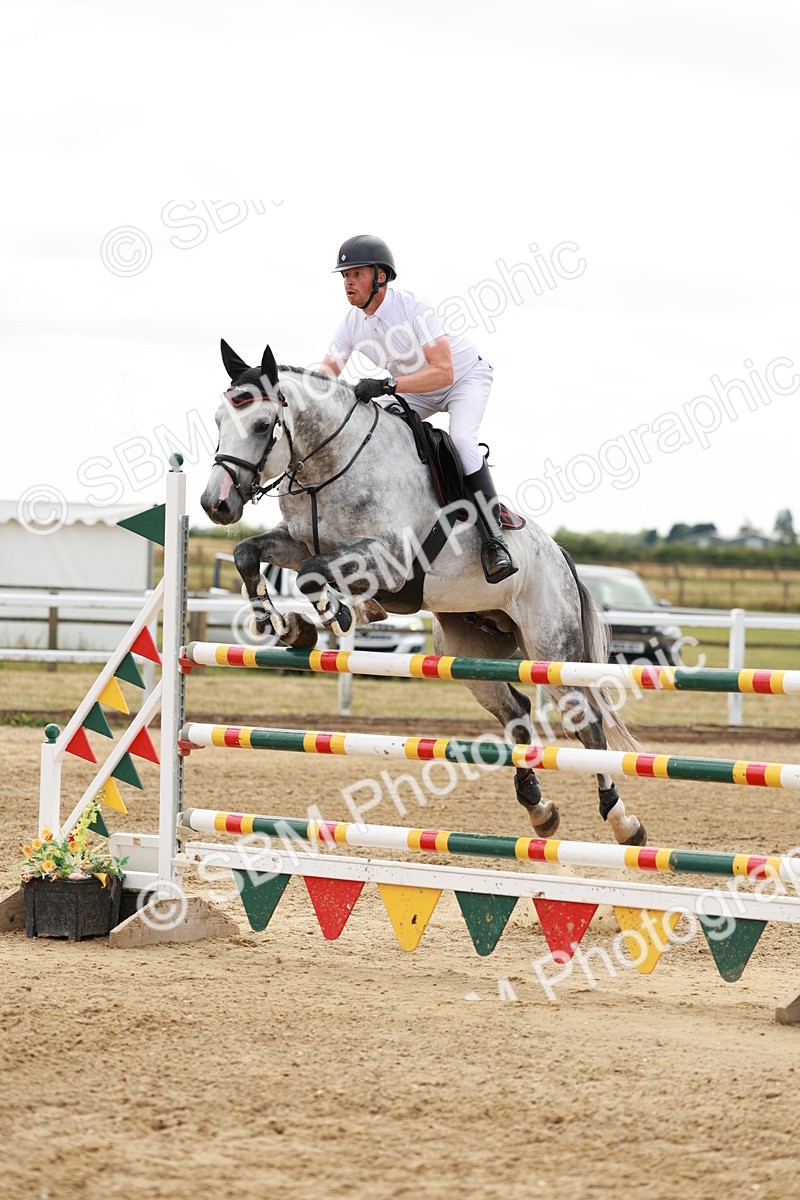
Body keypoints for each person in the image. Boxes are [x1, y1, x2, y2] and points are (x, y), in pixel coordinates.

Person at [319, 234, 517, 583]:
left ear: (381, 276)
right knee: (372, 423)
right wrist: (290, 391)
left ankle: (494, 540)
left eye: (357, 274)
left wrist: (388, 385)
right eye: (345, 276)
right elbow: (326, 374)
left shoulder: (414, 307)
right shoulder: (351, 324)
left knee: (462, 440)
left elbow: (444, 370)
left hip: (463, 379)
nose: (348, 282)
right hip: (415, 390)